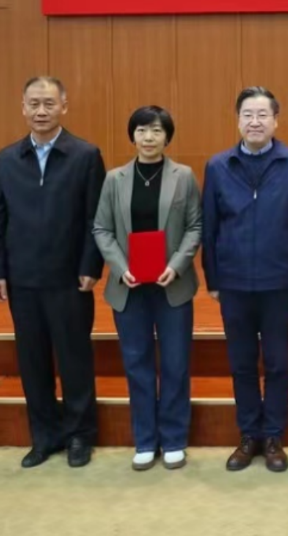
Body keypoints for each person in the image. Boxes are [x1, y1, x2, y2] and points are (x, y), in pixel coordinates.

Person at [0, 76, 106, 469]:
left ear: (63, 107)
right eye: (33, 104)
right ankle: (44, 436)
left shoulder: (85, 155)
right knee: (32, 361)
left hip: (70, 278)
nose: (41, 111)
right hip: (22, 279)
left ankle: (80, 434)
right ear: (23, 107)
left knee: (74, 360)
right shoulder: (7, 159)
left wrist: (90, 265)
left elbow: (95, 217)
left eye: (48, 104)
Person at [203, 87, 288, 474]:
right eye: (247, 115)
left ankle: (273, 436)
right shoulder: (218, 166)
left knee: (278, 361)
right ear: (237, 120)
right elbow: (210, 227)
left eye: (262, 115)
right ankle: (249, 434)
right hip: (233, 281)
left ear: (275, 121)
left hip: (278, 280)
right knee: (241, 363)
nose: (255, 121)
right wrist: (213, 278)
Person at [93, 106, 201, 472]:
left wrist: (177, 265)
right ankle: (144, 439)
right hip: (130, 287)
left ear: (167, 136)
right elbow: (102, 229)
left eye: (156, 130)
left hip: (173, 285)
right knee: (137, 363)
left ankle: (173, 439)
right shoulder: (115, 179)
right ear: (132, 135)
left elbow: (195, 226)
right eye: (141, 130)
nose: (149, 137)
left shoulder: (183, 176)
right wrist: (120, 268)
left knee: (175, 363)